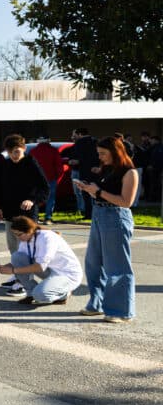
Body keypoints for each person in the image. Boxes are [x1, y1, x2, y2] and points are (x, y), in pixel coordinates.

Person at [73, 136, 139, 323]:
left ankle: (121, 311)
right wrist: (89, 189)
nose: (100, 157)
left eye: (103, 153)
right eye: (99, 153)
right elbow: (102, 193)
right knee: (93, 263)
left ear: (115, 152)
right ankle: (97, 303)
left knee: (116, 266)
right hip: (99, 214)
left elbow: (126, 202)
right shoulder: (108, 169)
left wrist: (98, 191)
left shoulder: (130, 172)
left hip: (116, 217)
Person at [0, 134, 49, 294]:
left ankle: (24, 283)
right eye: (10, 152)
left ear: (24, 149)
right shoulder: (5, 165)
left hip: (27, 215)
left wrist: (32, 200)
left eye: (17, 151)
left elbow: (44, 188)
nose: (14, 155)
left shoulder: (31, 163)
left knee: (25, 250)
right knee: (14, 248)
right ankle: (17, 275)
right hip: (10, 213)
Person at [0, 216, 82, 306]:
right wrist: (2, 268)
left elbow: (39, 267)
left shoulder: (47, 237)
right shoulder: (26, 239)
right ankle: (31, 294)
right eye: (15, 234)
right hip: (50, 270)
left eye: (19, 234)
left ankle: (64, 294)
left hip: (67, 275)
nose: (17, 237)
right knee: (17, 257)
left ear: (30, 230)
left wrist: (13, 270)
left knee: (40, 296)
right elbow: (19, 263)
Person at [30, 136, 64, 224]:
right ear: (48, 141)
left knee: (35, 198)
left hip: (36, 179)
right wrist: (58, 177)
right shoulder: (53, 151)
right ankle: (48, 218)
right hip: (51, 178)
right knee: (50, 198)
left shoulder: (33, 151)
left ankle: (35, 217)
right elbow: (59, 166)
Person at [69, 127, 98, 219]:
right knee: (95, 192)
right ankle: (96, 212)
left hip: (84, 170)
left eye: (76, 135)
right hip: (95, 170)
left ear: (80, 134)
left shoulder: (80, 143)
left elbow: (79, 157)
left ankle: (88, 214)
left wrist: (76, 161)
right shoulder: (95, 141)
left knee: (86, 192)